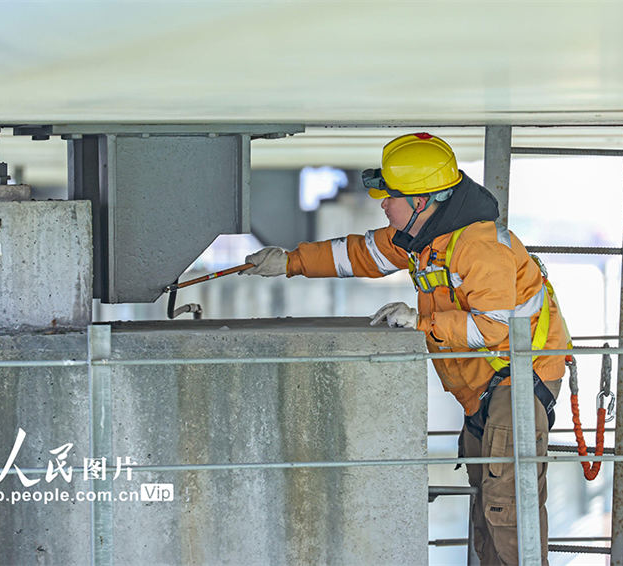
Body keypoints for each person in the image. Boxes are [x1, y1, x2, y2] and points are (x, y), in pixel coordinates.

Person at [242, 132, 567, 565]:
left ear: (421, 201)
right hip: (487, 385)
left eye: (390, 196)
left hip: (518, 381)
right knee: (488, 503)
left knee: (505, 506)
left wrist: (421, 323)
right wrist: (290, 262)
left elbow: (492, 327)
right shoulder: (424, 241)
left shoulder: (477, 247)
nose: (382, 204)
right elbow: (360, 254)